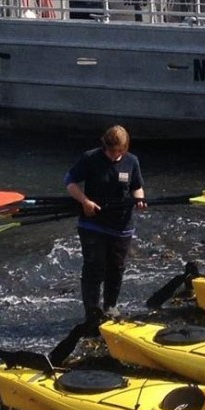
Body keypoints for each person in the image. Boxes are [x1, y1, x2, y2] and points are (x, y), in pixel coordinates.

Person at [64, 125, 146, 323]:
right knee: (94, 266)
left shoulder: (132, 161)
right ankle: (91, 310)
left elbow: (137, 187)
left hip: (122, 225)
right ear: (105, 146)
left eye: (120, 151)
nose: (115, 155)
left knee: (116, 267)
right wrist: (84, 201)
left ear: (125, 148)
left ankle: (110, 306)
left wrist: (139, 199)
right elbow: (69, 181)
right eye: (111, 150)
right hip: (93, 223)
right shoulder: (90, 158)